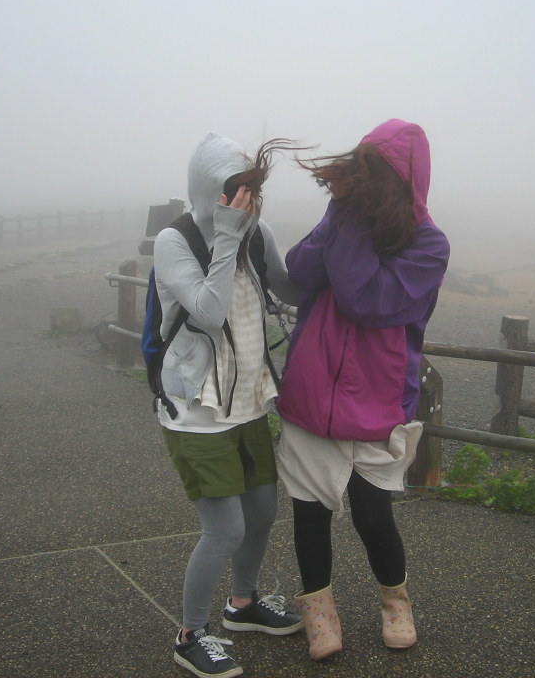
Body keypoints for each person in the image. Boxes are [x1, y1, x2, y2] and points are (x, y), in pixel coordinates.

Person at [274, 118, 450, 661]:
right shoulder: (345, 215)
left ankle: (396, 601)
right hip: (313, 391)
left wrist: (348, 223)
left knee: (373, 515)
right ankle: (319, 613)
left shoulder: (428, 245)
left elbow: (365, 298)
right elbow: (300, 269)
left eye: (371, 177)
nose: (360, 186)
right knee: (310, 513)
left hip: (378, 400)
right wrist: (340, 212)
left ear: (401, 181)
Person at [154, 133, 305, 678]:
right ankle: (190, 635)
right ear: (207, 190)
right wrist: (226, 236)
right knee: (224, 531)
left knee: (262, 514)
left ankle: (243, 605)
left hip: (249, 401)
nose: (244, 201)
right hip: (197, 411)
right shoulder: (175, 241)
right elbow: (209, 313)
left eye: (250, 190)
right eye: (233, 190)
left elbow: (289, 289)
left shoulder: (256, 232)